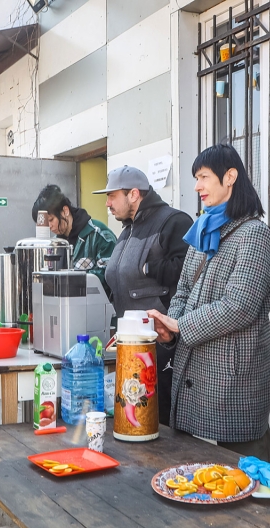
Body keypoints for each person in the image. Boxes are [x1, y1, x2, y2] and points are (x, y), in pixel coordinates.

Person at [147, 144, 270, 464]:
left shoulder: (254, 234)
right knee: (200, 472)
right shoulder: (203, 228)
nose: (197, 187)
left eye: (204, 177)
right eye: (196, 178)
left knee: (249, 469)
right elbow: (181, 293)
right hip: (194, 370)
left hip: (235, 378)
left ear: (230, 177)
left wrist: (182, 326)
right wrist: (170, 327)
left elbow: (240, 305)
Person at [94, 166, 192, 426]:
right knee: (137, 420)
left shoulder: (173, 221)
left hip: (162, 344)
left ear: (134, 194)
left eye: (112, 196)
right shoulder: (127, 229)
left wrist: (150, 268)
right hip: (132, 344)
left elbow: (189, 269)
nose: (108, 204)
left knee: (161, 422)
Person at [31, 184, 116, 296]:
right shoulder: (54, 245)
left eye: (51, 220)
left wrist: (71, 282)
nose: (49, 226)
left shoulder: (99, 235)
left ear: (65, 211)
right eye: (45, 223)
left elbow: (109, 277)